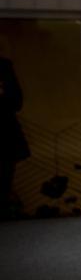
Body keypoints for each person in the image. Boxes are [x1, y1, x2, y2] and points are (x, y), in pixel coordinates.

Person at [0, 55, 31, 218]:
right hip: (7, 138)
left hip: (5, 138)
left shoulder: (4, 67)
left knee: (5, 180)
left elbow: (16, 102)